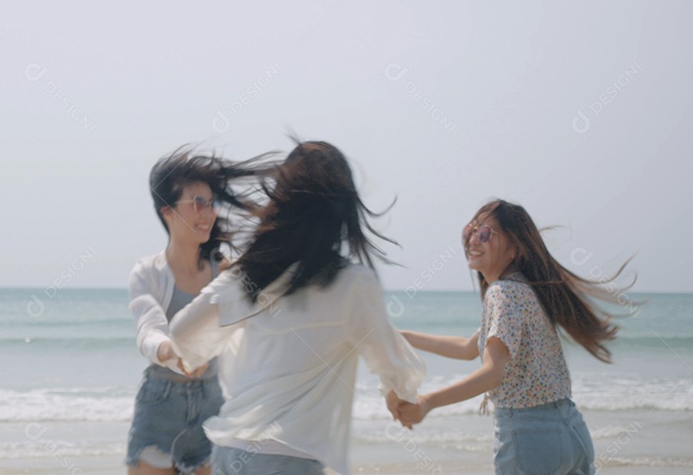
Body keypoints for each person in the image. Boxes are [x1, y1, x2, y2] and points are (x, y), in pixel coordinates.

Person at [168, 140, 426, 475]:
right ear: (343, 207)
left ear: (281, 201)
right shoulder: (352, 284)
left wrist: (196, 355)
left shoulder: (250, 275)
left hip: (229, 454)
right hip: (288, 458)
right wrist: (399, 394)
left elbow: (182, 333)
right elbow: (389, 358)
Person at [398, 199, 635, 475]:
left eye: (485, 233)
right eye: (470, 231)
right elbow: (467, 348)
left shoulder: (502, 293)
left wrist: (428, 402)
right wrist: (404, 337)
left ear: (515, 249)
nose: (473, 239)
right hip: (571, 431)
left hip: (529, 440)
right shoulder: (525, 290)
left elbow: (492, 373)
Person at [126, 147, 272, 475]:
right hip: (159, 408)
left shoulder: (225, 273)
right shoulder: (147, 272)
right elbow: (148, 329)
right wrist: (173, 351)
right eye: (197, 203)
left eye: (211, 203)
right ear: (167, 211)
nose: (208, 213)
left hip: (212, 406)